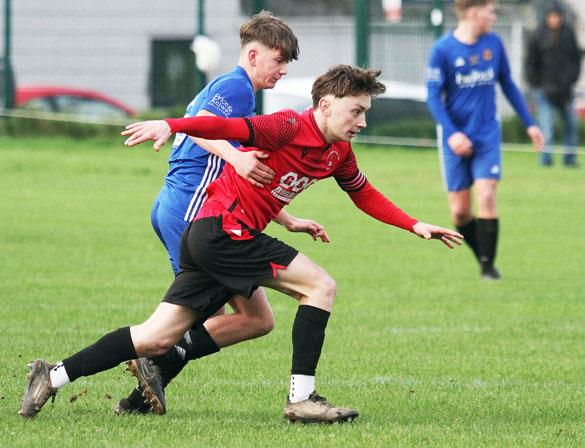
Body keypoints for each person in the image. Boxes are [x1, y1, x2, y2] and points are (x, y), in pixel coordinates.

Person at [20, 65, 463, 423]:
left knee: (164, 336)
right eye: (355, 111)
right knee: (320, 287)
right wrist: (169, 124)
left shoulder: (338, 153)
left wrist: (414, 224)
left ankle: (53, 375)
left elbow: (363, 193)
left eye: (366, 112)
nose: (362, 121)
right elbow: (221, 125)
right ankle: (302, 399)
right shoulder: (286, 126)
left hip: (210, 237)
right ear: (325, 105)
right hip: (224, 233)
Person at [112, 11, 329, 415]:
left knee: (254, 319)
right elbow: (201, 126)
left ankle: (146, 380)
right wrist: (233, 154)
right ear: (252, 54)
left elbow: (235, 170)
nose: (282, 71)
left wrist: (286, 219)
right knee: (192, 314)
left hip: (187, 205)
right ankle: (104, 376)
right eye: (278, 60)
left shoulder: (232, 87)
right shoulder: (237, 87)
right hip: (193, 208)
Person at [425, 0, 544, 281]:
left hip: (487, 134)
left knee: (487, 196)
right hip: (455, 137)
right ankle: (483, 256)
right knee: (460, 211)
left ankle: (488, 269)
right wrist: (452, 133)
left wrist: (531, 124)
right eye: (490, 11)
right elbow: (433, 97)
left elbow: (508, 85)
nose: (493, 16)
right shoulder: (443, 49)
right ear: (474, 13)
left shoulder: (493, 43)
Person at [526, 0, 582, 167]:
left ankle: (569, 159)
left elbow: (576, 61)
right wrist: (537, 85)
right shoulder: (538, 35)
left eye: (557, 16)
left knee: (571, 126)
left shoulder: (568, 35)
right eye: (552, 16)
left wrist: (569, 82)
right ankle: (546, 159)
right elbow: (531, 63)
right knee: (546, 128)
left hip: (565, 91)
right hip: (544, 91)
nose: (554, 19)